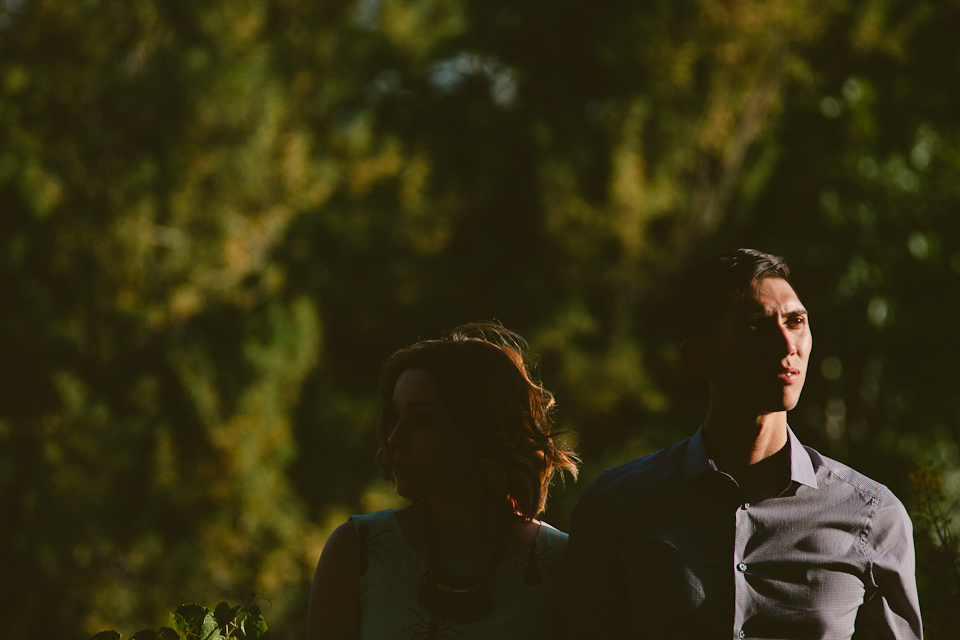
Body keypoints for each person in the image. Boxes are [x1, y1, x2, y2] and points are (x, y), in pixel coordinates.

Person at [558, 249, 923, 639]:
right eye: (754, 326)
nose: (787, 347)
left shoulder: (871, 517)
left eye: (796, 321)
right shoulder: (618, 507)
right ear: (700, 357)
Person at [306, 322, 579, 640]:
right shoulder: (358, 551)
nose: (395, 439)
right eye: (395, 417)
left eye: (422, 419)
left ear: (480, 429)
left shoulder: (562, 563)